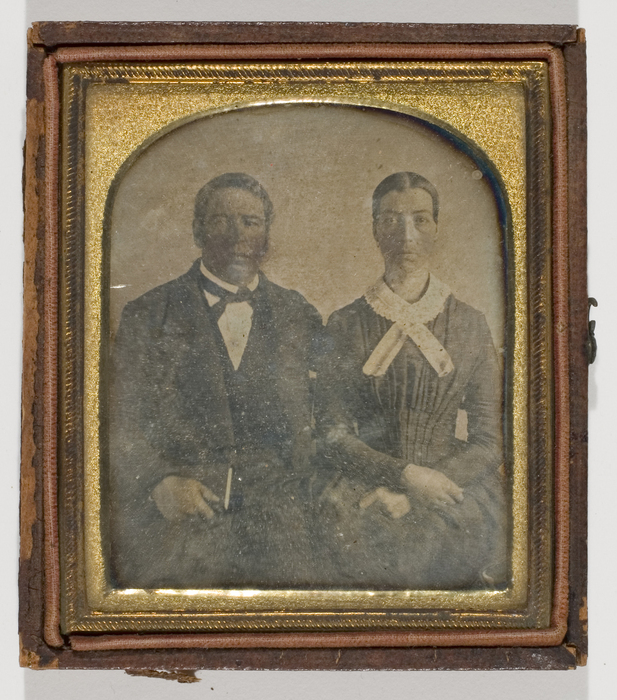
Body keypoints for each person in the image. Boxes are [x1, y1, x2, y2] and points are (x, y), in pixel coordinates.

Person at [108, 173, 323, 588]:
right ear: (197, 230)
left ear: (266, 236)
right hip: (183, 516)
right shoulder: (149, 314)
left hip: (282, 521)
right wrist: (158, 481)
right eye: (221, 220)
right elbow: (119, 423)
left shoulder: (298, 313)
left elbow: (326, 417)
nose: (237, 235)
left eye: (250, 222)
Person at [316, 172, 507, 589]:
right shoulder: (345, 323)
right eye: (391, 220)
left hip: (451, 486)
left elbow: (490, 440)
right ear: (375, 230)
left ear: (436, 228)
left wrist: (425, 486)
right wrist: (404, 476)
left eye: (420, 219)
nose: (406, 235)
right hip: (362, 481)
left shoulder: (470, 324)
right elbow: (332, 433)